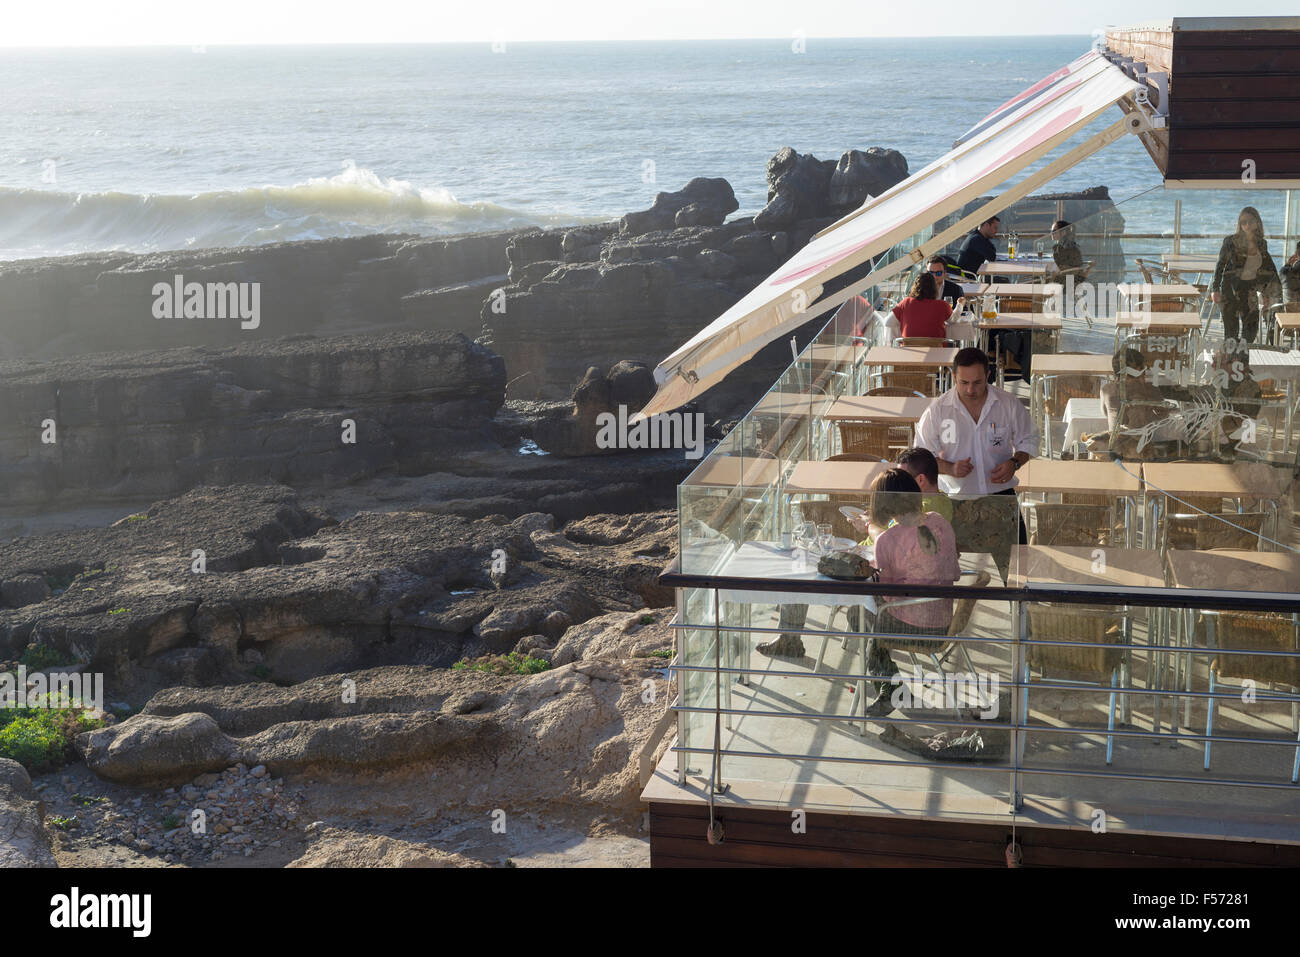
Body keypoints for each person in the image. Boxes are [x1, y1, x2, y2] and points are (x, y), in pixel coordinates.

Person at [857, 468, 961, 717]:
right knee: (871, 618)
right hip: (945, 619)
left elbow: (888, 592)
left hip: (917, 628)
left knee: (858, 613)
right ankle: (890, 687)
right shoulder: (939, 521)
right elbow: (954, 571)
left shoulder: (887, 540)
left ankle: (889, 687)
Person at [914, 347, 1037, 543]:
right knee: (945, 565)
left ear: (988, 375)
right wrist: (950, 468)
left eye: (978, 382)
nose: (970, 390)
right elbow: (921, 457)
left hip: (1000, 496)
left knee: (1018, 560)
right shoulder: (937, 411)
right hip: (953, 500)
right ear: (954, 376)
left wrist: (1014, 462)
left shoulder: (1008, 404)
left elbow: (1030, 439)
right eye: (964, 383)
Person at [1211, 206, 1281, 346]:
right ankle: (1232, 362)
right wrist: (1215, 289)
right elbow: (1220, 266)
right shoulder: (1230, 241)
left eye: (1250, 221)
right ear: (1240, 224)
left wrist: (1267, 293)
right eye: (1243, 222)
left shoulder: (1261, 243)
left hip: (1249, 290)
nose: (1247, 225)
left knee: (1251, 329)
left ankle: (1241, 356)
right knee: (1231, 333)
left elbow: (1267, 269)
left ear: (1257, 222)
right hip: (1229, 290)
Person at [896, 447, 954, 522]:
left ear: (920, 479)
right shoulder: (944, 499)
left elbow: (892, 530)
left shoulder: (921, 510)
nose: (898, 483)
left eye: (902, 479)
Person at [892, 272, 955, 339]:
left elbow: (888, 322)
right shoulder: (942, 305)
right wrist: (960, 305)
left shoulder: (905, 302)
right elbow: (953, 320)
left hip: (909, 348)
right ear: (934, 287)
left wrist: (898, 336)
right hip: (936, 348)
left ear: (915, 287)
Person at [1280, 241, 1300, 306]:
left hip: (1292, 311)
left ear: (1296, 253)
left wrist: (1288, 264)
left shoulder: (1289, 272)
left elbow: (1283, 274)